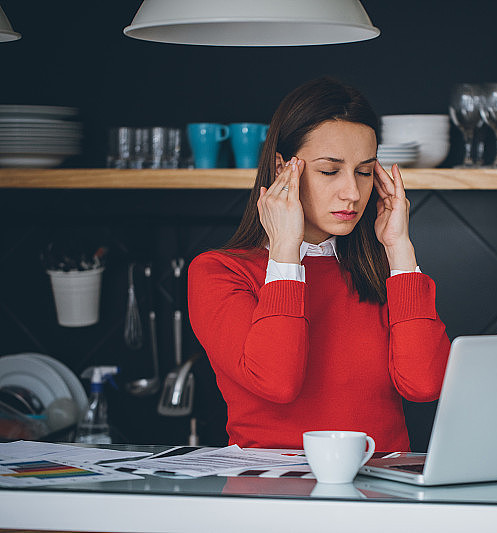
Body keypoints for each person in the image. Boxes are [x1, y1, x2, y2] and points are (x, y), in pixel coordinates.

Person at [188, 78, 450, 451]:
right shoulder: (219, 272)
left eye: (364, 172)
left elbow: (424, 385)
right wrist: (285, 249)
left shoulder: (384, 273)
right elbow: (277, 382)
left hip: (383, 498)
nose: (352, 193)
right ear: (283, 168)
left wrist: (400, 249)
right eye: (330, 171)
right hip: (273, 495)